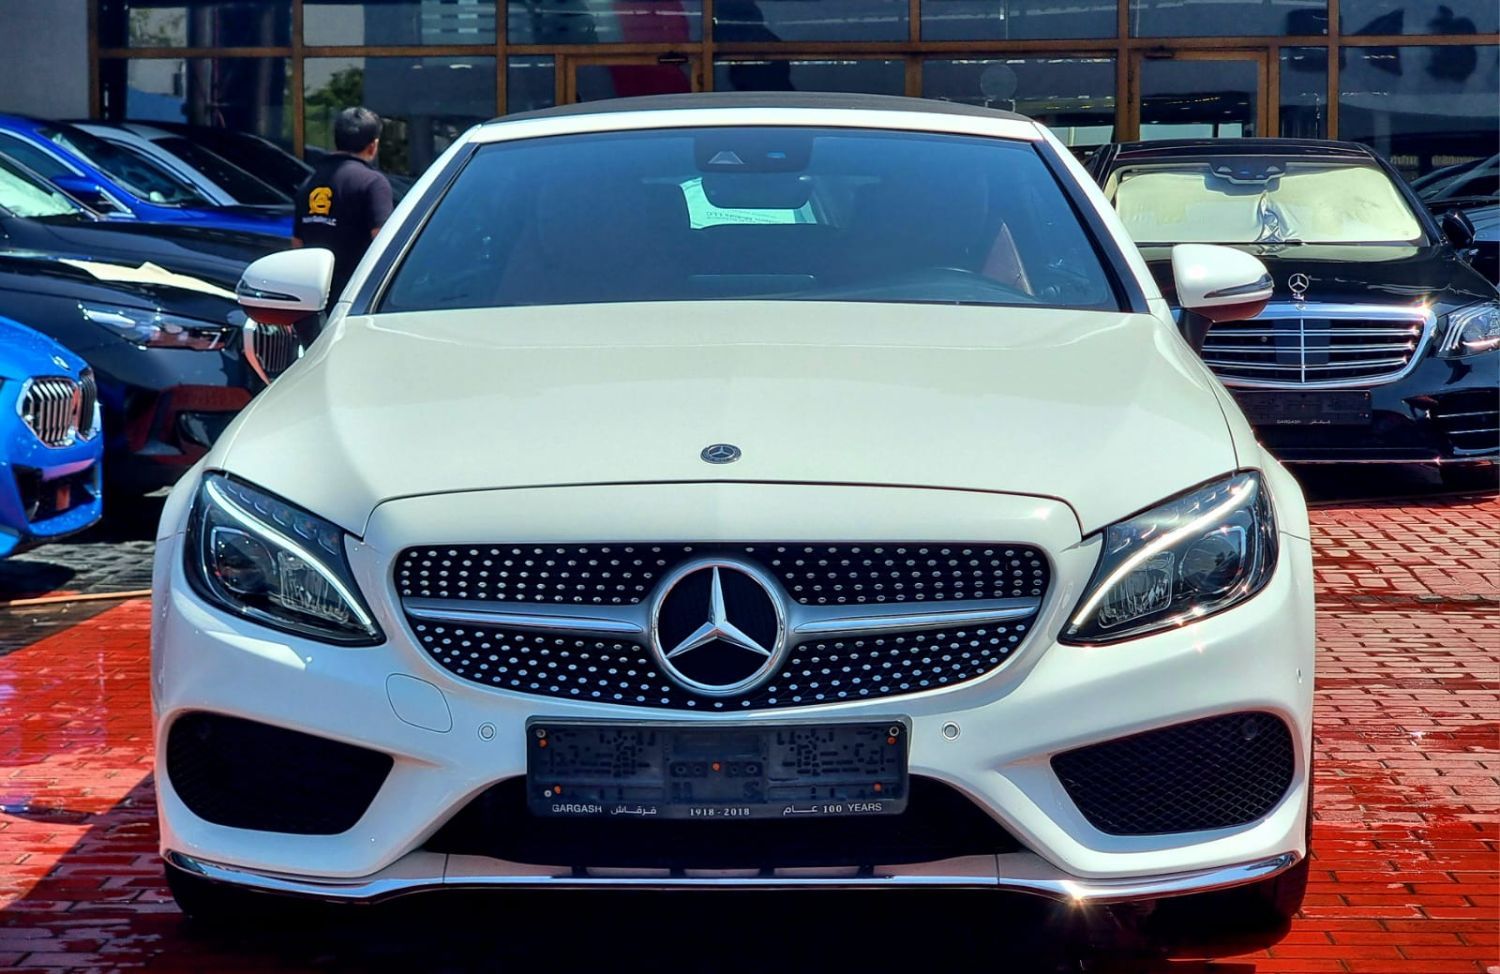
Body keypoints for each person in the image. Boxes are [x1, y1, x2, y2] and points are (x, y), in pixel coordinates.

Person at [293, 106, 394, 317]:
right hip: (358, 302)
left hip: (313, 302)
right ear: (373, 146)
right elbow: (383, 242)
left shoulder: (309, 183)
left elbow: (297, 244)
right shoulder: (373, 183)